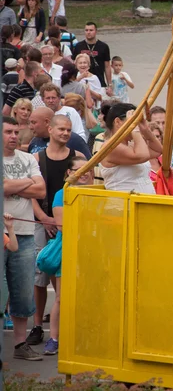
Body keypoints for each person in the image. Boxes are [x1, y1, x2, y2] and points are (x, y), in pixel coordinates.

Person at [29, 114, 86, 347]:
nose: (65, 133)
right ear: (50, 130)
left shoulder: (78, 158)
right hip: (43, 220)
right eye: (61, 128)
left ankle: (61, 327)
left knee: (64, 280)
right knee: (40, 276)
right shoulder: (37, 157)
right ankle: (36, 325)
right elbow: (32, 192)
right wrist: (44, 219)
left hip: (67, 221)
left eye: (68, 129)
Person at [3, 116, 46, 361]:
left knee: (22, 292)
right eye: (8, 131)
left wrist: (11, 184)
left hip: (25, 234)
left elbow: (40, 191)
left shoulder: (28, 158)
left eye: (16, 132)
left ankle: (20, 345)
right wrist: (28, 181)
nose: (14, 136)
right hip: (2, 233)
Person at [42, 156, 92, 355]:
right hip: (70, 250)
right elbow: (63, 226)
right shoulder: (61, 194)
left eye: (87, 169)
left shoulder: (97, 192)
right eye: (78, 169)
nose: (84, 173)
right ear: (69, 173)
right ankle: (54, 338)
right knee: (62, 298)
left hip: (93, 250)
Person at [100, 103, 161, 194]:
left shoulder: (132, 146)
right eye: (133, 120)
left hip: (142, 204)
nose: (136, 124)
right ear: (117, 122)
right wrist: (135, 129)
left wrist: (145, 130)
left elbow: (158, 151)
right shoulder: (110, 146)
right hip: (123, 205)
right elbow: (141, 156)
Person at [72, 22, 111, 89]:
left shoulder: (103, 46)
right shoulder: (79, 46)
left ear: (96, 31)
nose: (88, 32)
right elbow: (74, 65)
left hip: (99, 82)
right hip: (82, 81)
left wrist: (109, 84)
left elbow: (107, 67)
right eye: (86, 30)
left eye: (91, 30)